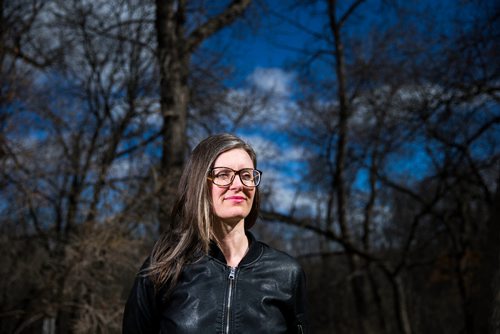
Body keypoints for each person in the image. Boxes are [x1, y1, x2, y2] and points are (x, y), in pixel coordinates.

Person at [123, 133, 309, 334]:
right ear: (200, 184)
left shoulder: (286, 273)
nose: (238, 185)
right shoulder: (164, 268)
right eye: (223, 174)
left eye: (246, 175)